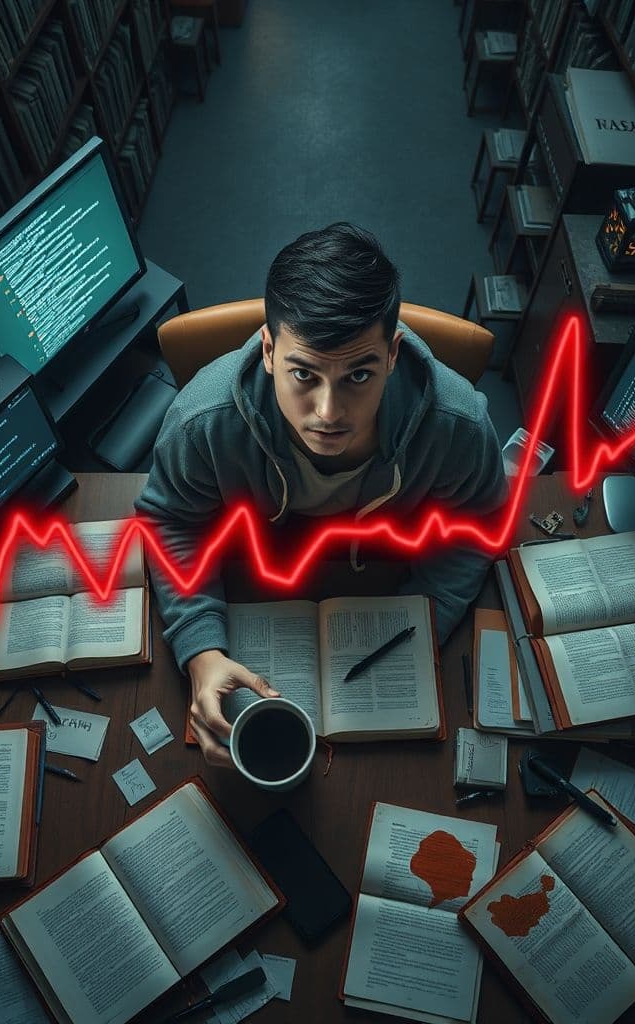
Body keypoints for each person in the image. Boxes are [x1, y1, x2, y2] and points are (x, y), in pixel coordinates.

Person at [135, 223, 508, 766]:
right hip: (257, 575)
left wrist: (426, 622)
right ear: (267, 351)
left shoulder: (461, 425)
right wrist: (200, 651)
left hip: (385, 575)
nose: (329, 413)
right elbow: (170, 520)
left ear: (394, 353)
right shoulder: (201, 423)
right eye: (304, 375)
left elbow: (480, 524)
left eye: (359, 375)